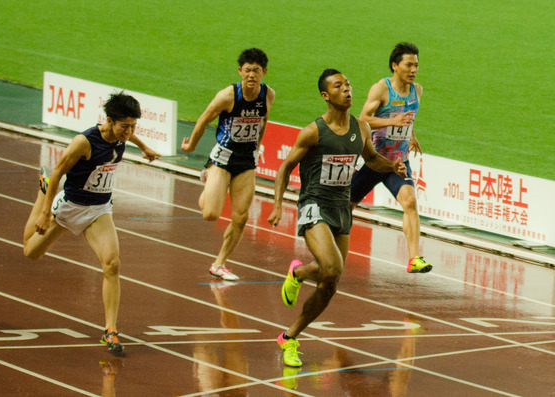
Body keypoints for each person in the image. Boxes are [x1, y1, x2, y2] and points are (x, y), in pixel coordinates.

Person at [267, 69, 407, 367]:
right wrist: (278, 204)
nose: (347, 89)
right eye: (338, 86)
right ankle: (301, 275)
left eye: (348, 84)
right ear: (325, 95)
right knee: (332, 267)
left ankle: (290, 334)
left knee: (331, 281)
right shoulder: (313, 132)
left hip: (342, 208)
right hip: (314, 204)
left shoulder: (361, 128)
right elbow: (285, 167)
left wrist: (392, 166)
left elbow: (370, 159)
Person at [22, 92, 159, 354]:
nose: (129, 132)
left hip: (98, 210)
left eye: (133, 127)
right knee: (31, 252)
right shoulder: (83, 143)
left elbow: (129, 134)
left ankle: (110, 330)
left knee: (112, 263)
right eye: (125, 126)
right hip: (70, 207)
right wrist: (45, 213)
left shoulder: (122, 136)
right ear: (109, 121)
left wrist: (143, 147)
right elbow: (59, 170)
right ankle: (43, 194)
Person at [181, 48, 275, 281]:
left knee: (241, 217)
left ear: (264, 72)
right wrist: (190, 145)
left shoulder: (268, 95)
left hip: (246, 161)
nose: (251, 75)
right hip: (223, 158)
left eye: (256, 71)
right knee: (211, 214)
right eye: (247, 70)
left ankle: (219, 263)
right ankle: (209, 178)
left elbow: (263, 122)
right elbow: (204, 118)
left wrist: (257, 146)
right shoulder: (228, 96)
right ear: (240, 71)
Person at [350, 42, 432, 273]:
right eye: (409, 65)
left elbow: (408, 116)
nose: (414, 69)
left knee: (410, 202)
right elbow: (363, 118)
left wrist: (411, 135)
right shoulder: (381, 89)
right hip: (374, 160)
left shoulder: (417, 90)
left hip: (398, 163)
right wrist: (391, 122)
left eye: (416, 65)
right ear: (395, 66)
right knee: (346, 207)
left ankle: (414, 258)